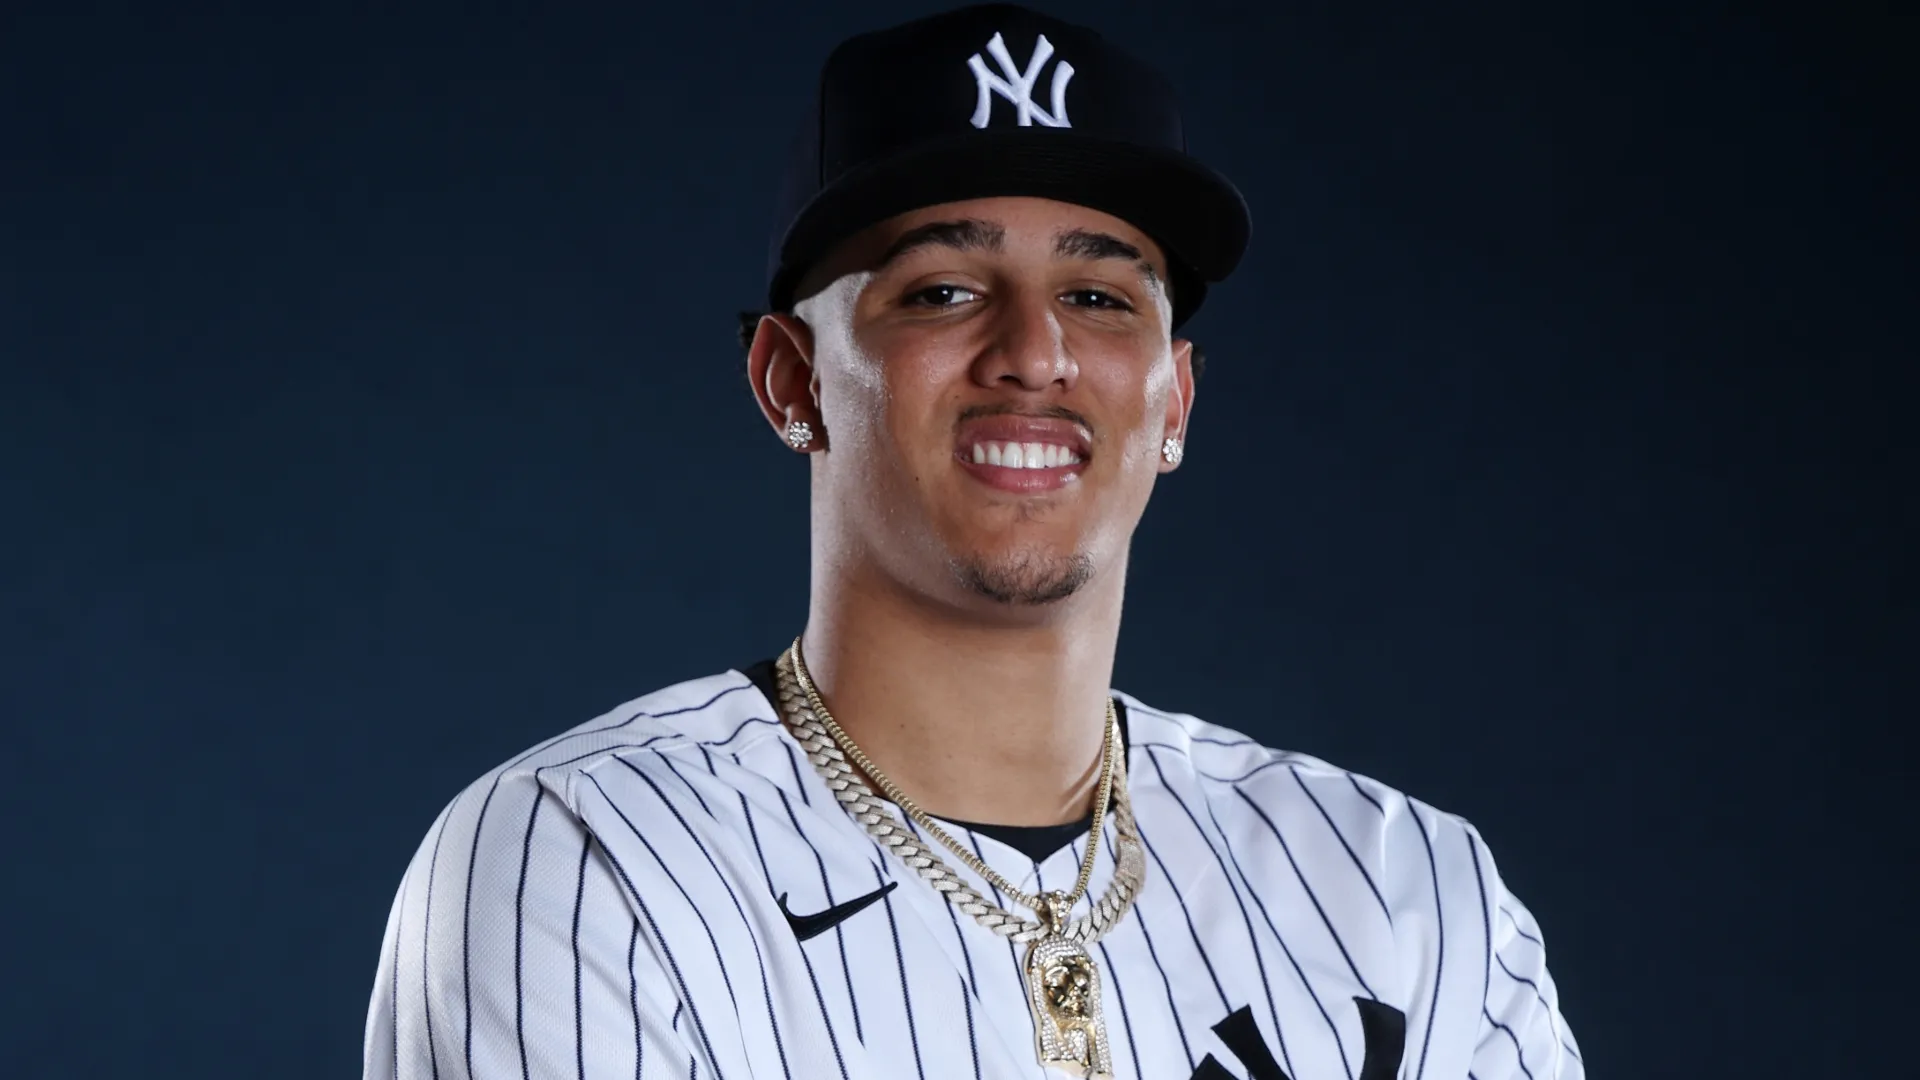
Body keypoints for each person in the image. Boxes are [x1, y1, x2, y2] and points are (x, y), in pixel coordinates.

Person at [362, 5, 1582, 1078]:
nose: (1035, 354)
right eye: (942, 288)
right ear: (791, 380)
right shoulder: (588, 859)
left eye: (1100, 296)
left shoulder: (1408, 890)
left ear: (1175, 402)